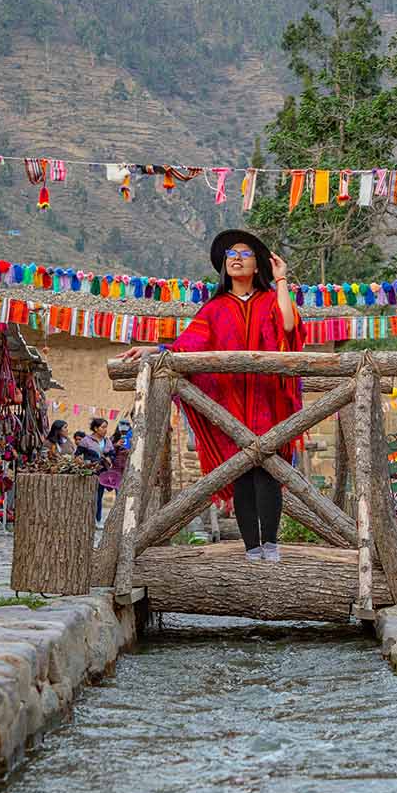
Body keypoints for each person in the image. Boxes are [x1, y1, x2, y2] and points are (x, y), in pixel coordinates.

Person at [122, 228, 300, 561]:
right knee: (242, 472)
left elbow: (288, 327)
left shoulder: (269, 300)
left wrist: (281, 280)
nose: (236, 258)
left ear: (258, 265)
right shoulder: (214, 309)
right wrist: (155, 349)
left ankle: (272, 547)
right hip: (229, 405)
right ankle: (252, 550)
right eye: (231, 254)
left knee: (269, 472)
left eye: (245, 254)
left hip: (268, 402)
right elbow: (187, 347)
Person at [75, 418, 113, 524]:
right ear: (96, 428)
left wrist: (109, 459)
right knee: (89, 497)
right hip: (90, 474)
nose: (105, 430)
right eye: (103, 427)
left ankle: (98, 520)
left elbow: (112, 454)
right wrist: (84, 464)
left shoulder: (108, 441)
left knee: (99, 497)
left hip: (103, 473)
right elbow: (77, 455)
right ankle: (85, 520)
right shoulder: (86, 441)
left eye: (106, 427)